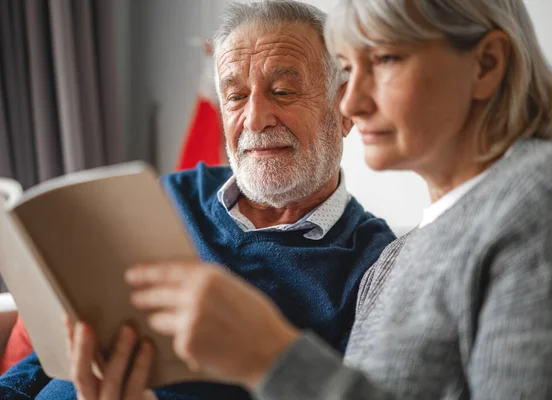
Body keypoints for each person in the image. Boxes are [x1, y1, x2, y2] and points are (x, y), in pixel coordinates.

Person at [125, 0, 552, 399]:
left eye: (386, 59)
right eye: (349, 69)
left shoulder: (546, 194)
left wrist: (272, 357)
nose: (351, 102)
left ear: (486, 65)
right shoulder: (391, 263)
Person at [0, 1, 396, 399]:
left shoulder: (373, 266)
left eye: (282, 91)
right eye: (236, 96)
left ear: (344, 108)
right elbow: (66, 342)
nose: (255, 118)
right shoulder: (165, 196)